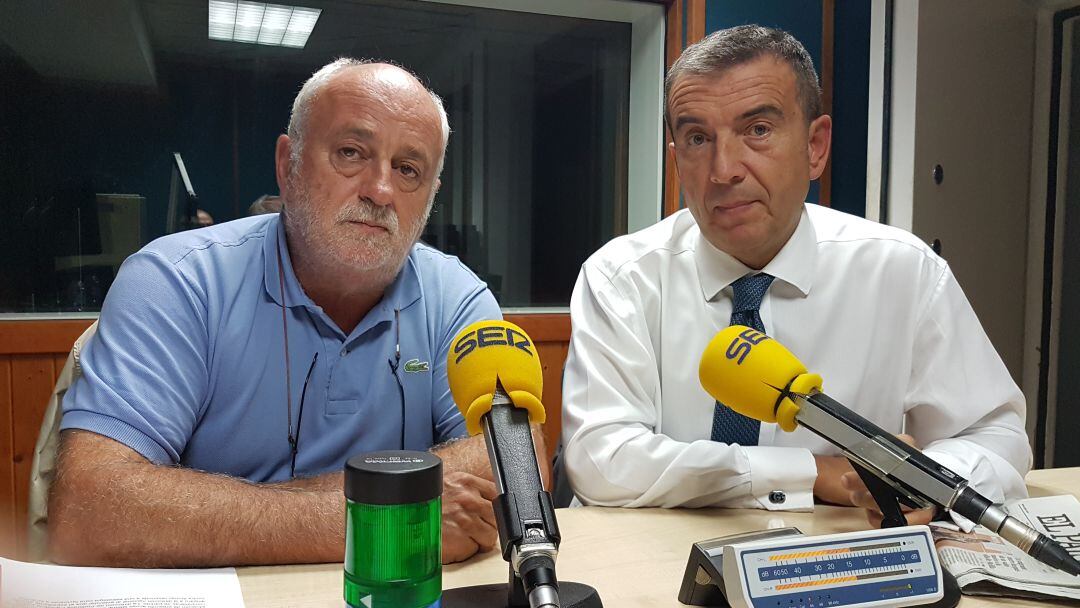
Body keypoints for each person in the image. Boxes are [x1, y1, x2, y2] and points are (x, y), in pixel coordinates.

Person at [561, 26, 1031, 527]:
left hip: (842, 560)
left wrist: (927, 480)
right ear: (677, 161)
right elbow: (601, 461)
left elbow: (997, 435)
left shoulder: (901, 270)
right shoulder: (621, 277)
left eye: (757, 130)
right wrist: (817, 473)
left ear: (815, 146)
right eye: (698, 138)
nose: (724, 170)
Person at [49, 59, 511, 567]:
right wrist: (381, 516)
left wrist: (236, 510)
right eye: (351, 153)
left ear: (430, 197)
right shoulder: (178, 280)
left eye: (408, 169)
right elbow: (90, 511)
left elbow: (514, 462)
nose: (380, 191)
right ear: (287, 165)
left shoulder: (456, 296)